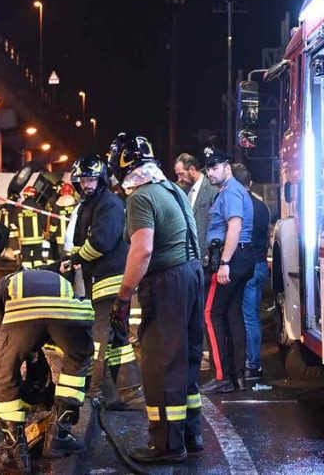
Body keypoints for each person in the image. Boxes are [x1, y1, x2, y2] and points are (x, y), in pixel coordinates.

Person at [107, 133, 204, 463]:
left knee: (160, 364)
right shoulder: (172, 189)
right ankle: (191, 435)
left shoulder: (141, 197)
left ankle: (166, 445)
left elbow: (143, 249)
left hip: (168, 281)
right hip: (192, 274)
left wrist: (123, 298)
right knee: (187, 359)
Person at [0, 268, 95, 471]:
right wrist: (33, 353)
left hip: (26, 314)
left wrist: (7, 361)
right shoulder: (56, 279)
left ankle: (16, 453)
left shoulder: (0, 288)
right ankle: (59, 436)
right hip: (71, 312)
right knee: (77, 362)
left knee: (5, 372)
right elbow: (48, 325)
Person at [67, 154, 141, 409]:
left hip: (110, 282)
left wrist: (77, 257)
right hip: (99, 280)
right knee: (118, 341)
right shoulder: (89, 205)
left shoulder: (109, 204)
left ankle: (94, 390)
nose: (86, 185)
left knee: (98, 337)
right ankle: (125, 393)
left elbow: (101, 242)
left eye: (91, 180)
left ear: (101, 180)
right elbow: (80, 239)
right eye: (83, 180)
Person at [201, 148, 255, 394]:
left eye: (214, 167)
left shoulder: (231, 191)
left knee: (211, 313)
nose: (210, 172)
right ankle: (238, 377)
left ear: (227, 167)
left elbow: (234, 227)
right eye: (208, 169)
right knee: (232, 315)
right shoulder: (233, 190)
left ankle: (222, 376)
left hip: (231, 257)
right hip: (241, 256)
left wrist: (224, 262)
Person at [175, 152, 219, 372]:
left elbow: (214, 224)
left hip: (205, 258)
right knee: (194, 307)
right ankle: (198, 351)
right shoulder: (186, 190)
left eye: (181, 173)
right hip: (191, 260)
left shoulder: (210, 190)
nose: (179, 178)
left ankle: (208, 354)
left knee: (205, 308)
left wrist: (212, 254)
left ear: (193, 170)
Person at [232, 162, 270, 381]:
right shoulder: (262, 206)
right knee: (252, 316)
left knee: (245, 317)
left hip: (245, 266)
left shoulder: (240, 206)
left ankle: (250, 364)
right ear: (251, 183)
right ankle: (253, 364)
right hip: (260, 264)